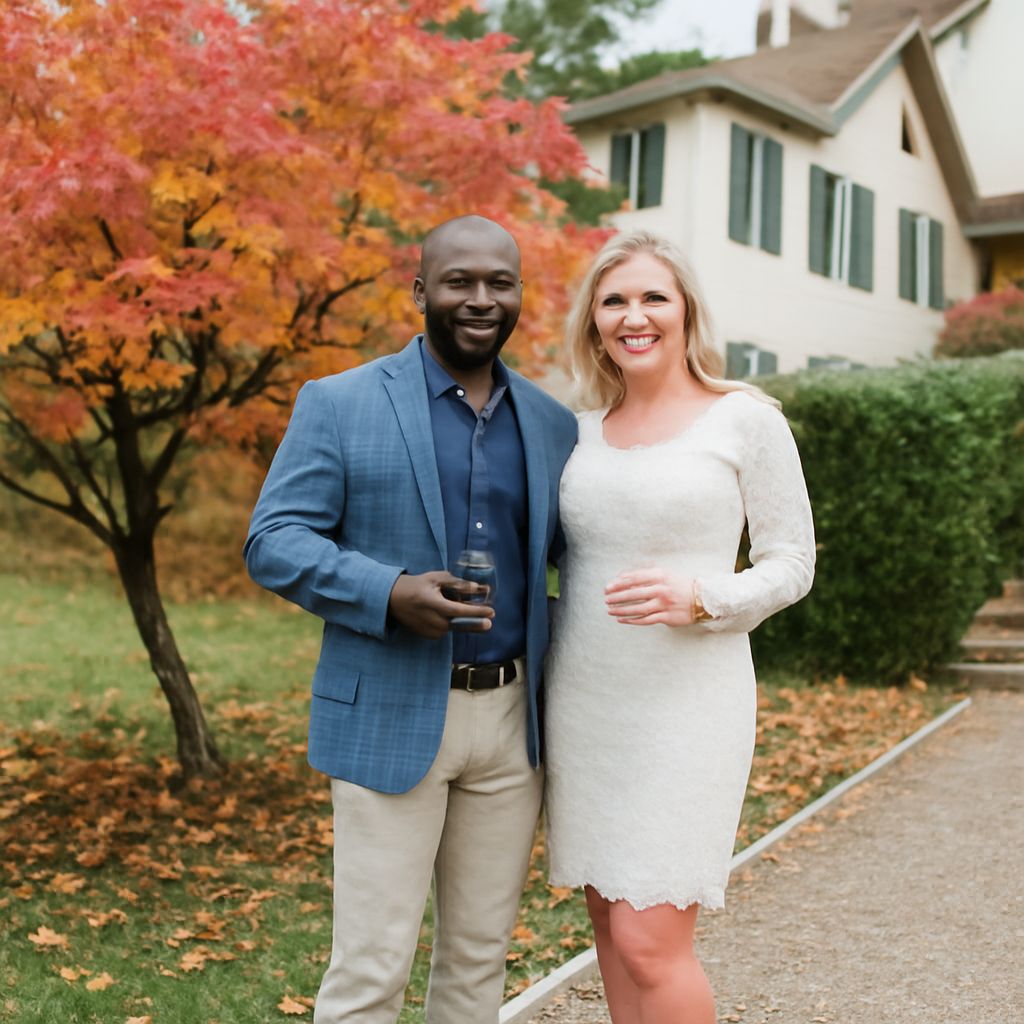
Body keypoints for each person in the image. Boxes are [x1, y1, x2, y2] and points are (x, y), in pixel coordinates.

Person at [244, 215, 577, 1024]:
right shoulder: (340, 402)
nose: (481, 299)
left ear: (519, 295)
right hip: (389, 712)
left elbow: (575, 561)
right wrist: (388, 592)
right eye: (460, 281)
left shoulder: (553, 423)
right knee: (372, 967)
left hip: (510, 727)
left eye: (500, 283)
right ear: (421, 290)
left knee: (478, 961)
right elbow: (273, 541)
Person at [544, 230, 815, 1024]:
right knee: (608, 926)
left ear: (686, 309)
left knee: (648, 940)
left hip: (689, 707)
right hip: (587, 703)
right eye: (615, 299)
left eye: (653, 296)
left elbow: (792, 563)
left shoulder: (745, 420)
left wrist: (703, 596)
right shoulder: (578, 434)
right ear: (593, 321)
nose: (635, 315)